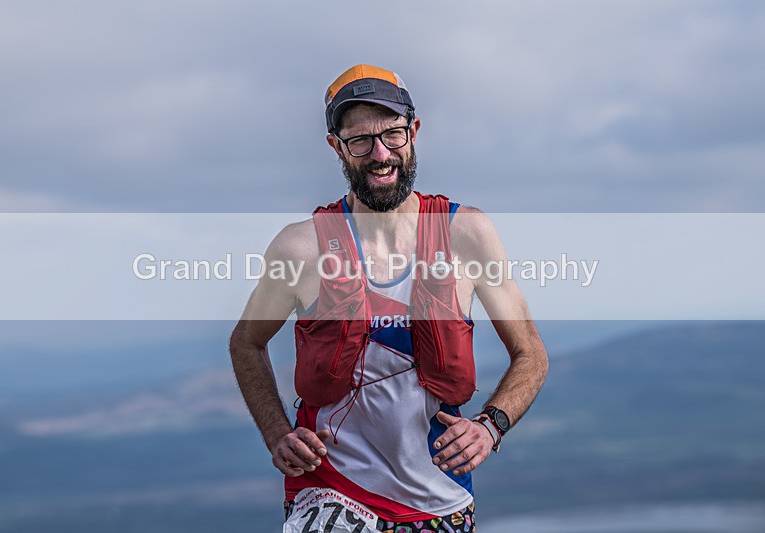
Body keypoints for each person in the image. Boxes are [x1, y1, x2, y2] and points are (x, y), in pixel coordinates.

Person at [229, 64, 548, 533]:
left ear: (414, 131)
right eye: (360, 141)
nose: (381, 154)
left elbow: (531, 354)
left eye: (393, 135)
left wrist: (490, 426)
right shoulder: (302, 247)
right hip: (329, 493)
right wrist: (277, 433)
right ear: (336, 147)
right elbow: (246, 342)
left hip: (441, 500)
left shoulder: (467, 235)